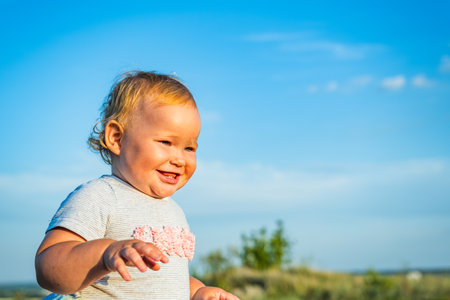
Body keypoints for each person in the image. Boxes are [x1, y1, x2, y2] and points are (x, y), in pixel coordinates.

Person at [35, 71, 239, 300]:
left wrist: (197, 292)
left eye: (189, 148)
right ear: (117, 138)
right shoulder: (101, 196)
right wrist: (105, 253)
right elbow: (48, 266)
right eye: (166, 142)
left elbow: (164, 278)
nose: (180, 159)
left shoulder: (173, 210)